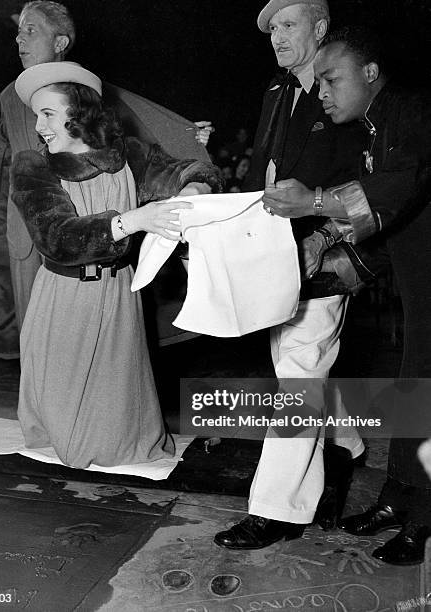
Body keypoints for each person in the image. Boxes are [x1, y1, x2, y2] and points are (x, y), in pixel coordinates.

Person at [214, 0, 387, 552]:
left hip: (325, 252)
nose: (277, 38)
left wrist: (323, 235)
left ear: (319, 29)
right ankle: (345, 445)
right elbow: (265, 168)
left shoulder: (345, 94)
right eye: (271, 29)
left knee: (299, 370)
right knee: (295, 360)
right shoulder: (275, 90)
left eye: (288, 25)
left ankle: (278, 508)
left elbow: (369, 183)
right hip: (273, 250)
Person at [0, 0, 213, 359]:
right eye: (18, 32)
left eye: (30, 30)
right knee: (40, 343)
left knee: (95, 348)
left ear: (61, 42)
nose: (19, 40)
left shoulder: (88, 94)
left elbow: (139, 125)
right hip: (29, 237)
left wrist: (185, 136)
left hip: (88, 229)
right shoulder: (9, 97)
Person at [263, 26, 431, 565]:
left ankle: (422, 520)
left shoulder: (413, 112)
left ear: (371, 74)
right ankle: (398, 498)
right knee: (413, 386)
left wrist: (314, 202)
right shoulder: (377, 130)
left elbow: (400, 188)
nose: (324, 92)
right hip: (414, 274)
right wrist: (324, 257)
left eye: (332, 79)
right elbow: (383, 231)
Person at [10, 61, 222, 468]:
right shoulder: (32, 166)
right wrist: (131, 220)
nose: (38, 125)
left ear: (80, 111)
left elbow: (187, 170)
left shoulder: (129, 156)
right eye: (37, 115)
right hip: (63, 300)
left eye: (48, 113)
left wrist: (193, 186)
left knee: (116, 421)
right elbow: (56, 237)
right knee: (65, 425)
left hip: (118, 293)